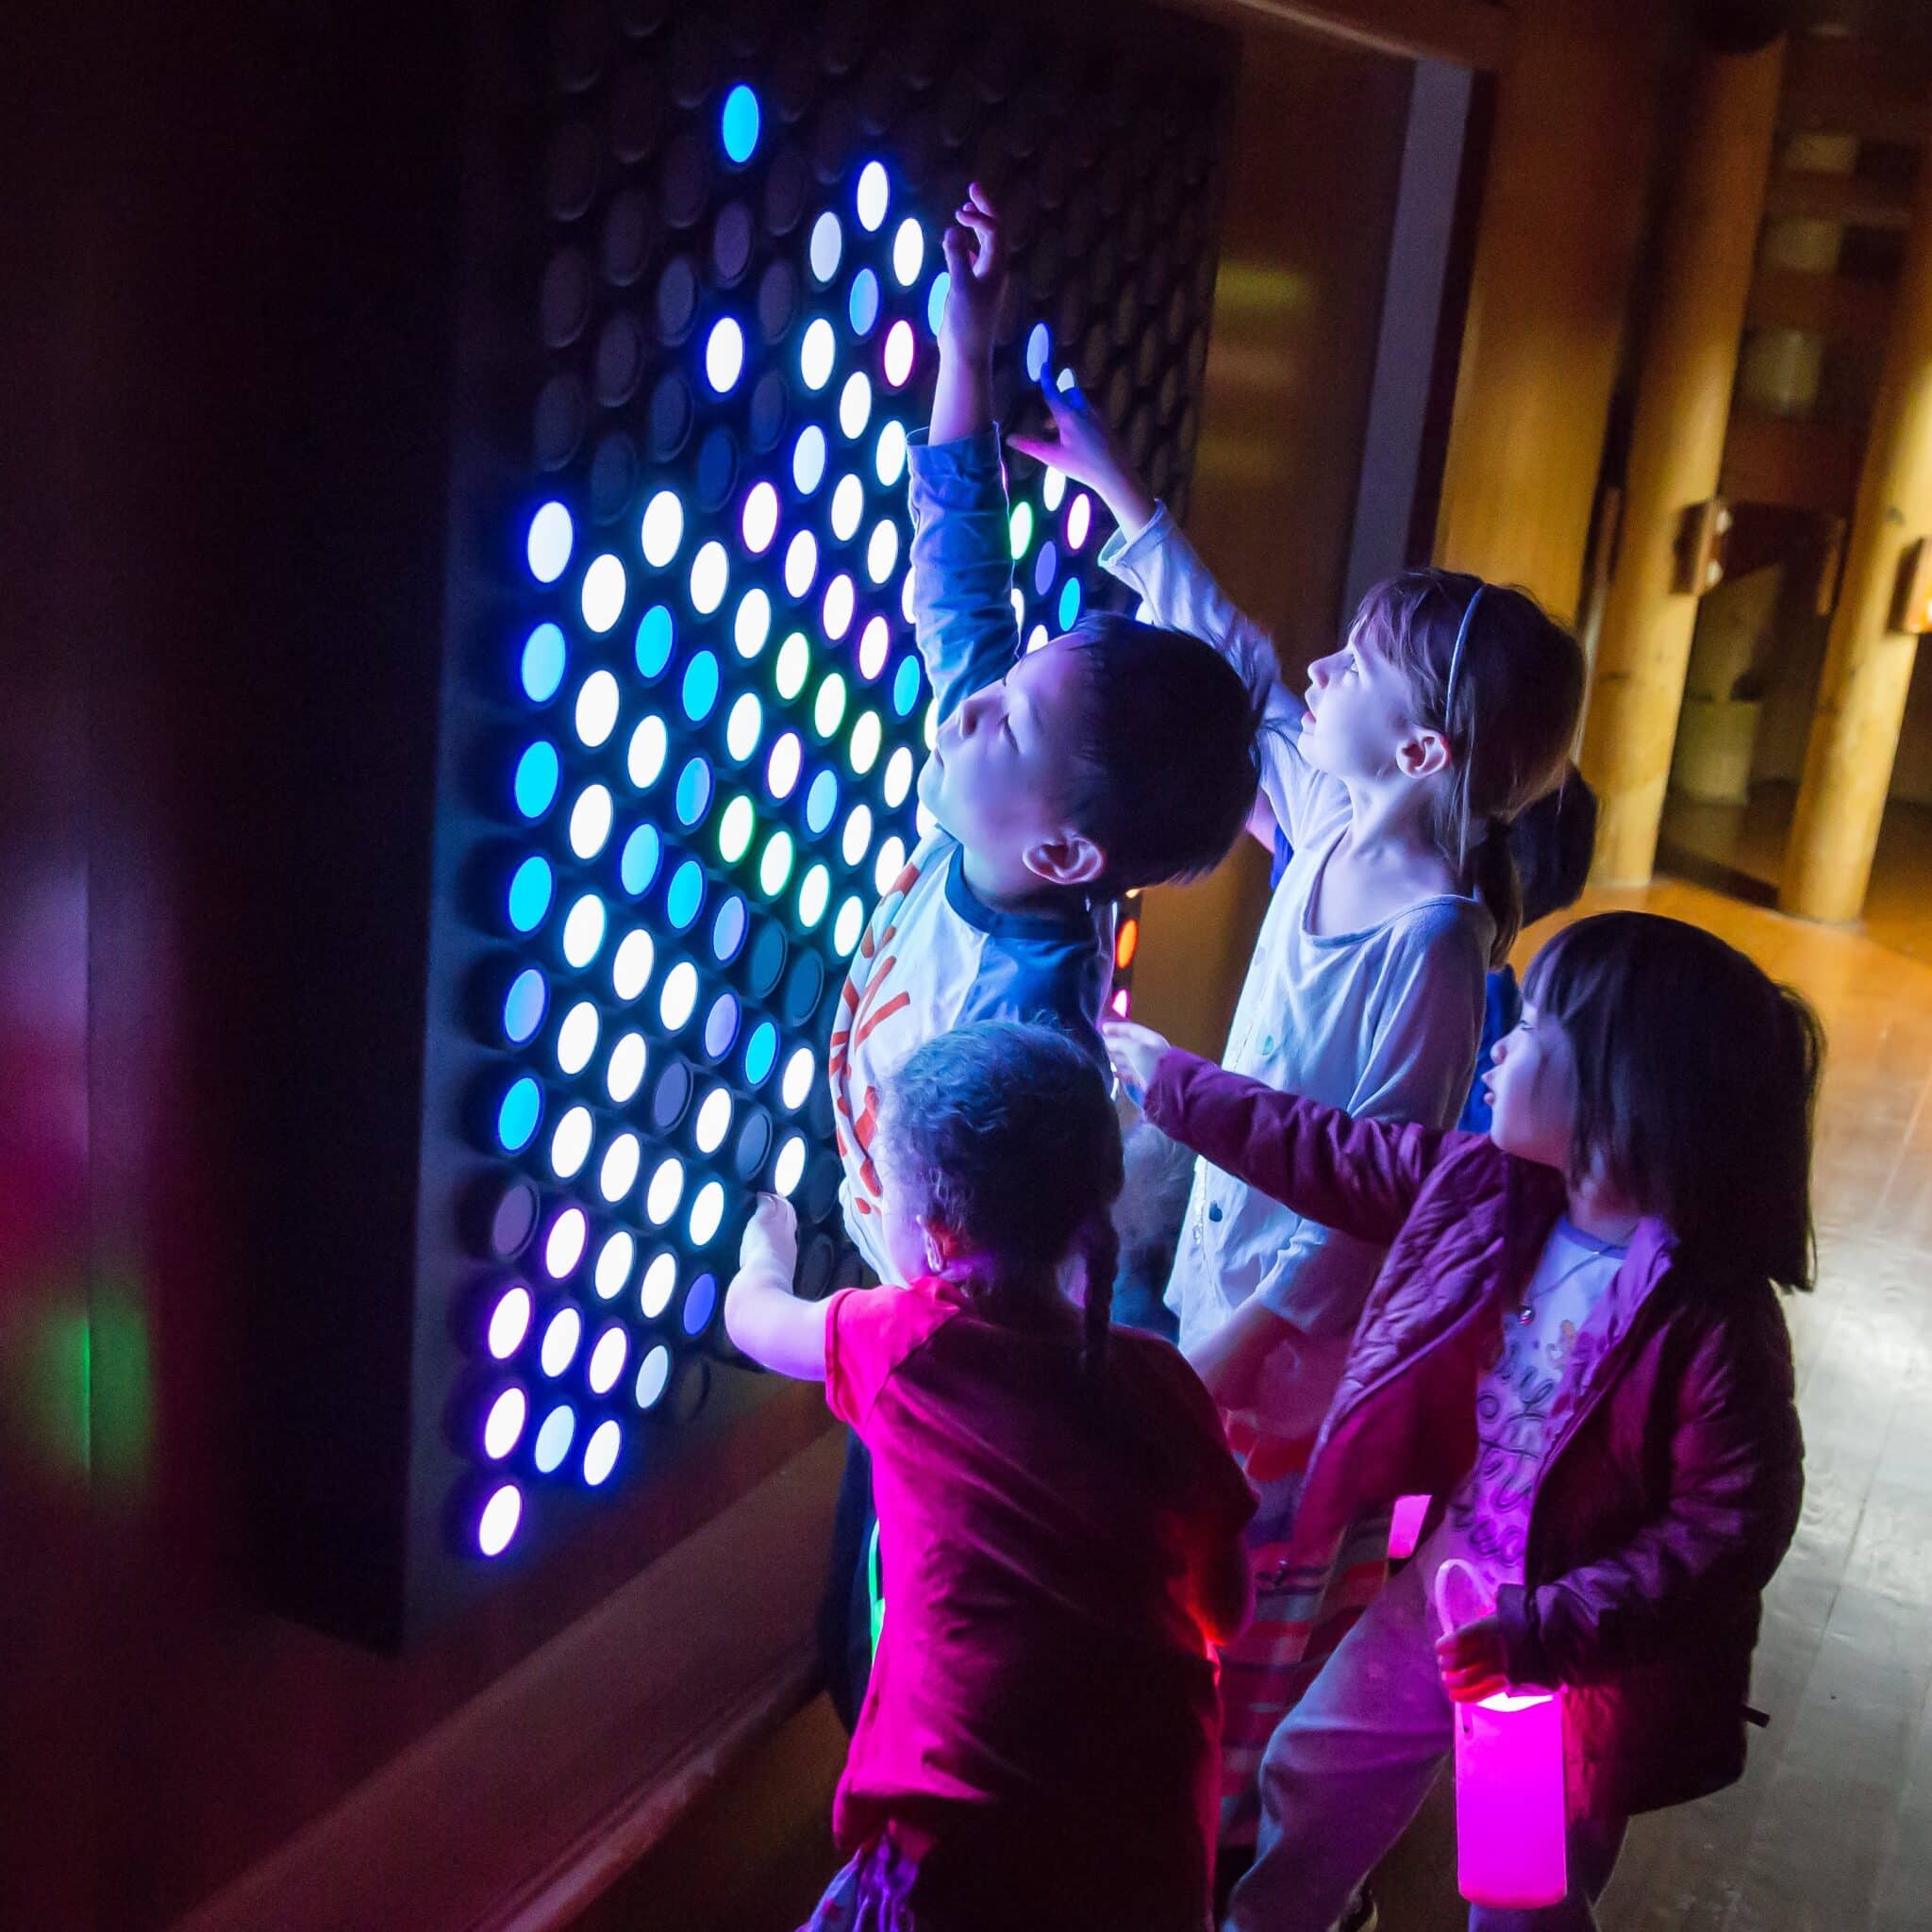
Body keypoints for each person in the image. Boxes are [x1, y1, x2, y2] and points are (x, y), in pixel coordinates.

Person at [1012, 385, 1586, 1845]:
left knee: (1220, 1639)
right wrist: (1123, 501)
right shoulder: (1326, 825)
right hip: (1212, 1305)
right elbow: (1247, 665)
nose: (1319, 673)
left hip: (1282, 1375)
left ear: (1422, 759)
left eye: (1361, 673)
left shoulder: (1437, 950)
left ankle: (1197, 1858)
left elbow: (1363, 1209)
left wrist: (1223, 1357)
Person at [1107, 910, 1817, 1930]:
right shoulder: (1483, 1184)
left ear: (1617, 1091)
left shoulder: (1709, 1316)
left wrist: (1540, 1632)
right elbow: (1323, 1148)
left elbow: (1728, 1525)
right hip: (1445, 1591)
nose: (1497, 1046)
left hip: (1557, 1662)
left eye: (1528, 1028)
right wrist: (1170, 1080)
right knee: (1311, 1763)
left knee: (1516, 1887)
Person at [822, 186, 1258, 1728]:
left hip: (942, 1375)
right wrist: (968, 338)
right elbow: (961, 567)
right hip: (901, 1328)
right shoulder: (1001, 794)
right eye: (997, 683)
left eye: (1003, 710)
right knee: (851, 1632)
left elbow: (1036, 1288)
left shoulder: (1022, 1035)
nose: (966, 698)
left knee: (893, 1649)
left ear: (1067, 855)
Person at [727, 1022, 1257, 1931]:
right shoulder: (1163, 1380)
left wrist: (761, 1247)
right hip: (1154, 1858)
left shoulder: (901, 1344)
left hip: (962, 1858)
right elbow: (1228, 1607)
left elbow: (757, 1321)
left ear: (931, 1238)